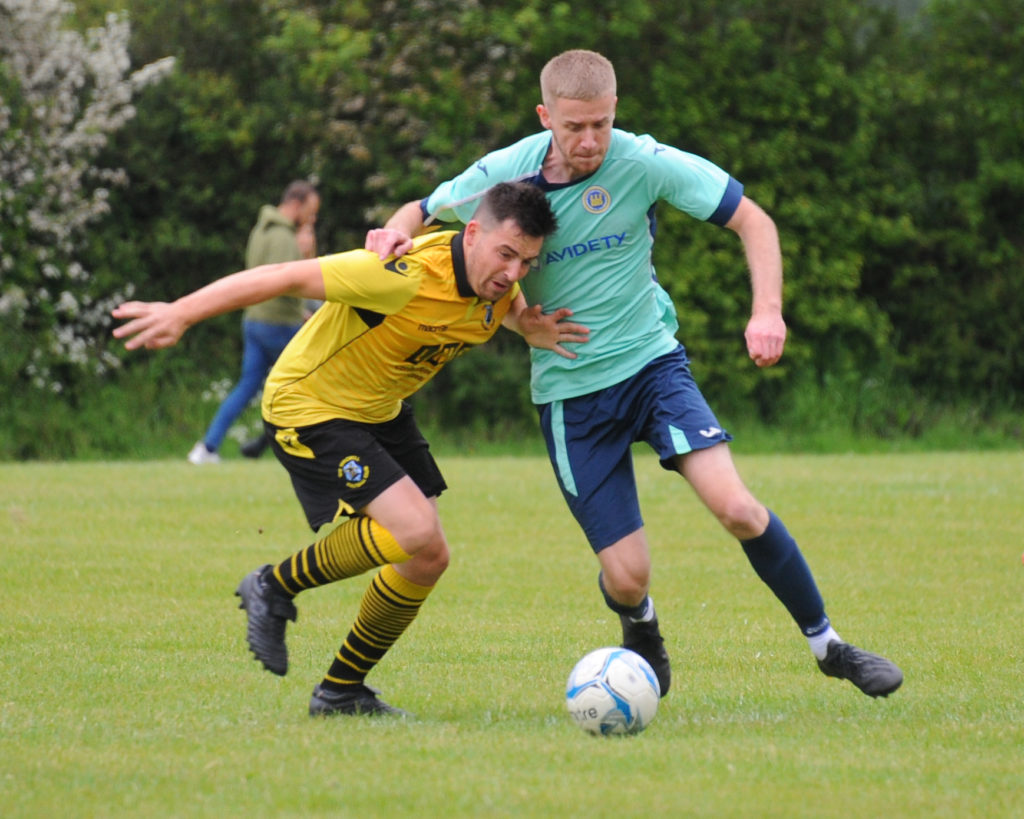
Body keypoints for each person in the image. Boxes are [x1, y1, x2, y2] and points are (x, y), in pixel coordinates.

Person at [366, 49, 903, 699]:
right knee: (627, 576)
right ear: (545, 117)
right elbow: (421, 213)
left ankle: (830, 646)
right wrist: (394, 240)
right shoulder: (507, 173)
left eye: (602, 124)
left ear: (616, 112)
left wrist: (767, 311)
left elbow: (751, 219)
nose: (591, 141)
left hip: (652, 365)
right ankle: (640, 624)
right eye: (575, 127)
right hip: (571, 394)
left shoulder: (643, 162)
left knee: (736, 506)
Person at [113, 182, 572, 716]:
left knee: (429, 557)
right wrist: (183, 313)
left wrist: (525, 323)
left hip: (379, 409)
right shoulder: (400, 274)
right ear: (472, 234)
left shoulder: (497, 289)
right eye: (506, 254)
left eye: (527, 262)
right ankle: (272, 585)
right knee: (415, 529)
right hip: (309, 404)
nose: (514, 274)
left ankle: (341, 691)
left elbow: (502, 304)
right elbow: (280, 277)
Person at [187, 180, 321, 464]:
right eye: (309, 212)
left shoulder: (260, 230)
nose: (311, 219)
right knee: (313, 382)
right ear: (295, 205)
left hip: (254, 320)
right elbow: (287, 283)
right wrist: (302, 310)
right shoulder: (284, 239)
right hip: (278, 323)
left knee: (247, 387)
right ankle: (293, 448)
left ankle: (207, 448)